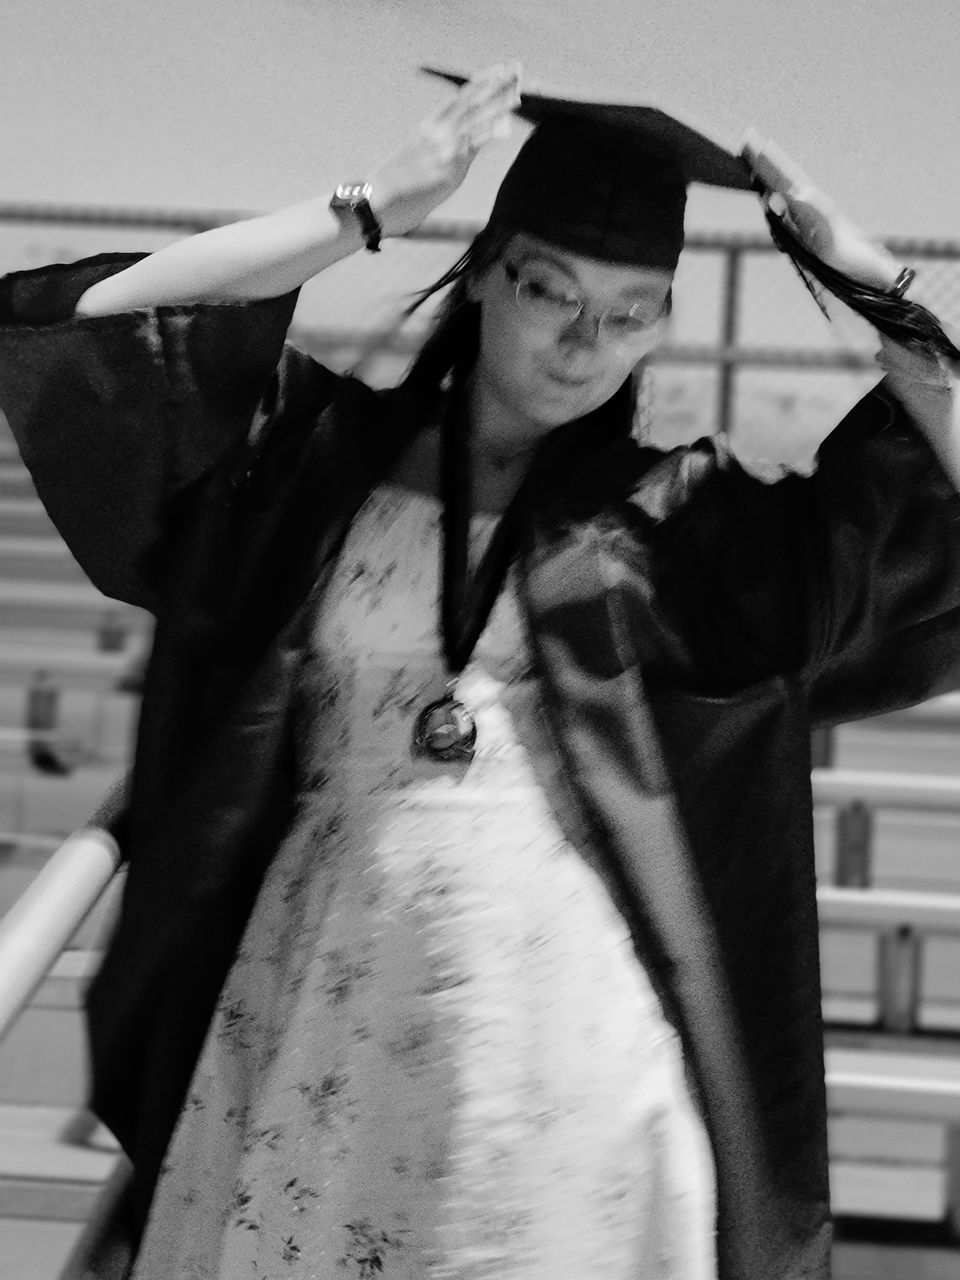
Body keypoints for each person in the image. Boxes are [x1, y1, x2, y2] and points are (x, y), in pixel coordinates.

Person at [1, 64, 959, 1280]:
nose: (583, 343)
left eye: (631, 311)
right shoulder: (318, 469)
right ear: (487, 271)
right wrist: (364, 209)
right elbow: (92, 332)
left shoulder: (683, 527)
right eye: (552, 290)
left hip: (565, 1037)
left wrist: (880, 287)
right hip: (318, 999)